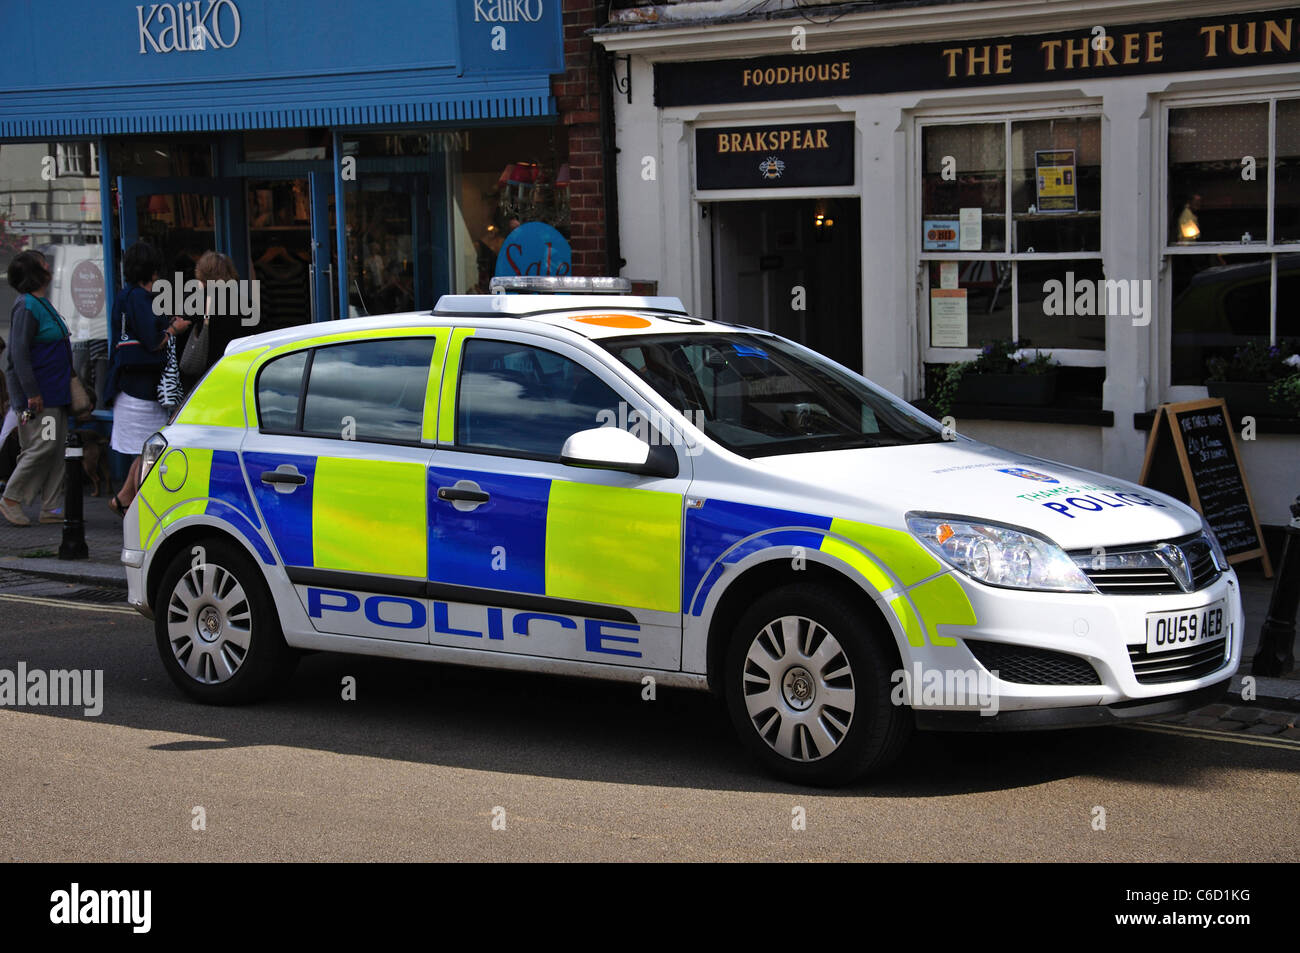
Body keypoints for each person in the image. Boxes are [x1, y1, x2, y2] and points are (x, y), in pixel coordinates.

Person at [105, 241, 190, 516]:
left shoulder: (124, 295)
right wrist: (174, 329)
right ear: (152, 270)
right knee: (151, 451)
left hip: (129, 384)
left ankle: (123, 499)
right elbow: (153, 341)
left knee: (147, 450)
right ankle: (142, 512)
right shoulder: (141, 298)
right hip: (141, 388)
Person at [1, 250, 75, 526]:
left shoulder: (39, 303)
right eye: (43, 263)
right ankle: (12, 498)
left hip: (54, 393)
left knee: (56, 450)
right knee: (43, 446)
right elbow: (18, 354)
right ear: (35, 272)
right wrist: (31, 392)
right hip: (40, 397)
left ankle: (51, 507)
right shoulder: (27, 306)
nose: (49, 266)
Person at [178, 250, 240, 392]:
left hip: (197, 383)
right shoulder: (244, 304)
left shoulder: (192, 302)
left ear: (201, 272)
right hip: (233, 378)